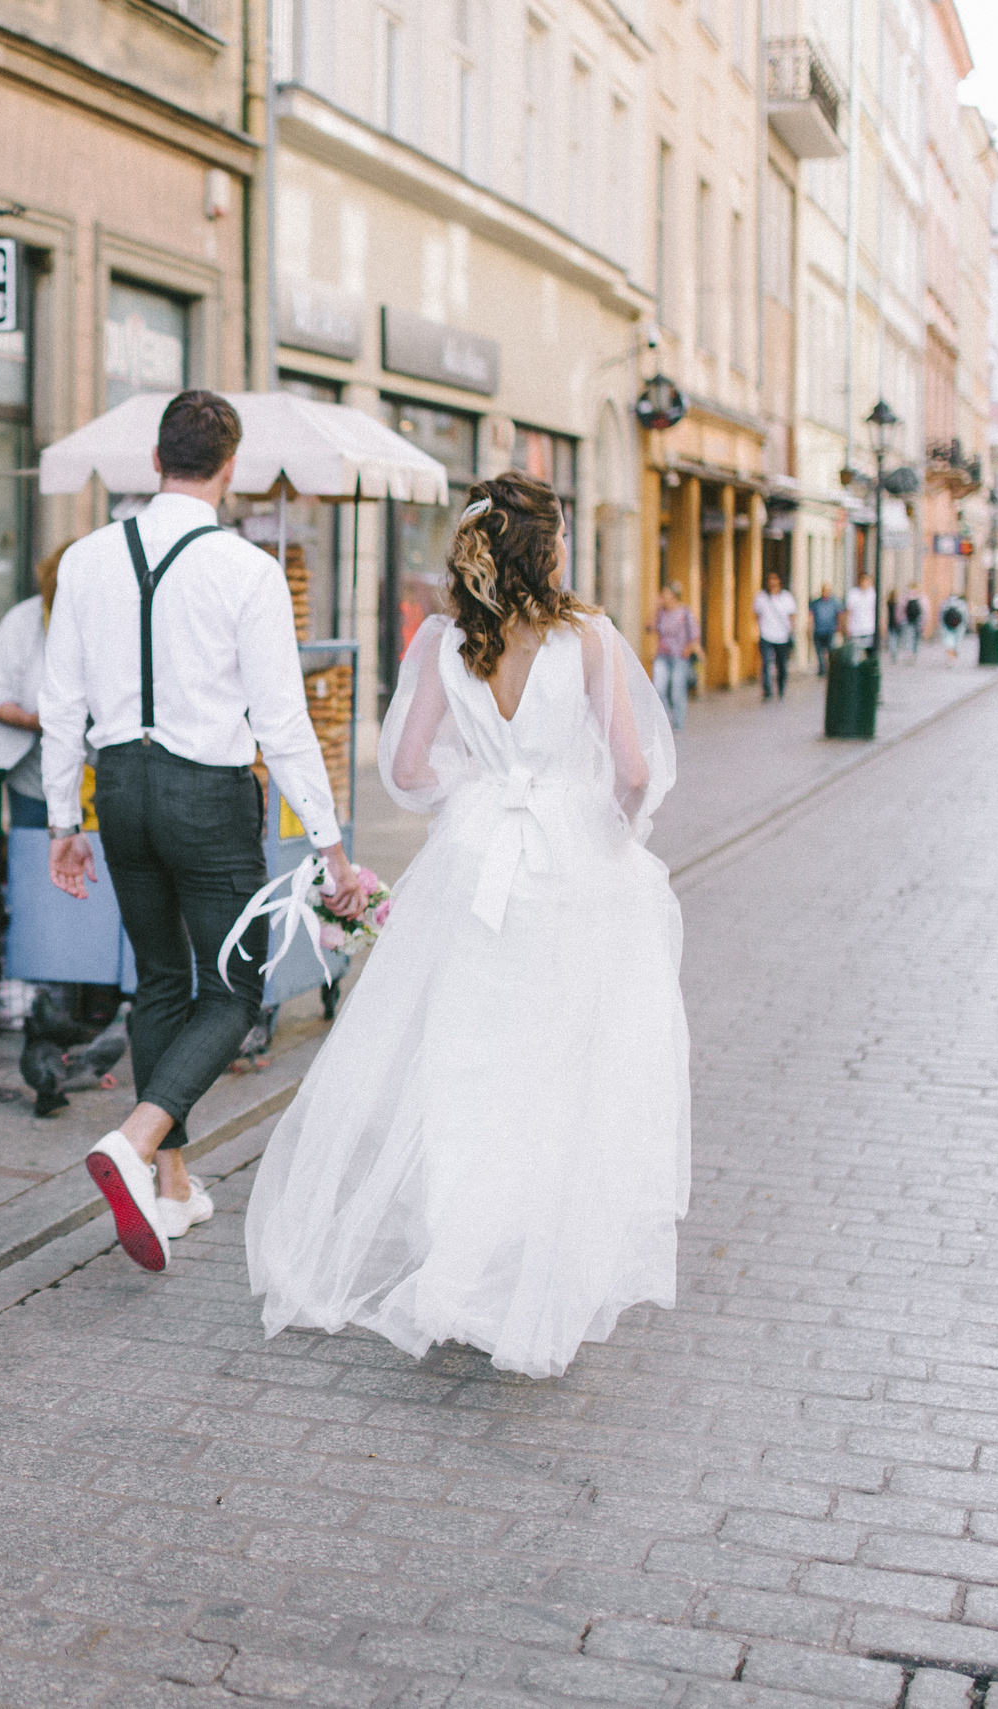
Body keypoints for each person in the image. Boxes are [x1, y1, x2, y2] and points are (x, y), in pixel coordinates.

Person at [246, 471, 688, 1379]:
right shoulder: (589, 637)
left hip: (479, 861)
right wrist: (607, 825)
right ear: (550, 549)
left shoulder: (446, 644)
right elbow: (635, 771)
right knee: (560, 1067)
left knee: (463, 1058)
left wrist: (478, 792)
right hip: (568, 869)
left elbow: (407, 766)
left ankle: (455, 1267)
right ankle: (525, 1271)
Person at [39, 390, 368, 1275]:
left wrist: (63, 817)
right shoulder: (246, 570)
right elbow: (283, 722)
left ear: (154, 461)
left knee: (157, 979)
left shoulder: (85, 559)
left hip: (123, 788)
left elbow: (59, 701)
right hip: (209, 794)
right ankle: (138, 1143)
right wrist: (331, 846)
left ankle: (173, 1186)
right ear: (231, 471)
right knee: (234, 994)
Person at [0, 544, 70, 828]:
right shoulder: (21, 621)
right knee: (32, 853)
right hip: (30, 775)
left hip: (91, 777)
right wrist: (32, 720)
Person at [646, 583, 697, 730]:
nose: (662, 597)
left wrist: (687, 650)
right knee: (659, 689)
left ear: (674, 596)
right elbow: (649, 628)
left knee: (677, 691)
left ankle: (678, 723)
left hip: (679, 657)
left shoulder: (684, 613)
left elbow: (694, 634)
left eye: (665, 594)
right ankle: (665, 723)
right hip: (662, 656)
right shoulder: (661, 613)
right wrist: (656, 609)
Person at [753, 570, 797, 700]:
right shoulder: (761, 597)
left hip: (782, 636)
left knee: (781, 665)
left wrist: (792, 631)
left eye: (774, 579)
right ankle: (767, 691)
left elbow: (792, 616)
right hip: (766, 635)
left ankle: (781, 687)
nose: (772, 582)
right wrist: (758, 630)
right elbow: (756, 615)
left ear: (779, 581)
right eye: (770, 579)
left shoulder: (787, 597)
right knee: (766, 663)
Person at [809, 582, 842, 675]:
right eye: (824, 590)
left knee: (830, 650)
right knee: (819, 651)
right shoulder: (816, 603)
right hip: (818, 630)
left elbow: (839, 614)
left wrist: (839, 626)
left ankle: (831, 668)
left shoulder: (835, 602)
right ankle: (822, 669)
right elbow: (811, 615)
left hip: (830, 630)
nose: (825, 592)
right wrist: (809, 627)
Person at [845, 570, 879, 652]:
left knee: (870, 652)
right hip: (856, 629)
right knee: (856, 652)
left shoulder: (872, 593)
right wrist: (847, 626)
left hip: (869, 628)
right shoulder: (853, 593)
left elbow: (875, 610)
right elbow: (849, 611)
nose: (865, 583)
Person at [940, 591, 969, 661]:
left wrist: (941, 625)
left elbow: (941, 616)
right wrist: (966, 624)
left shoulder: (945, 603)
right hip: (959, 625)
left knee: (948, 640)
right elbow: (966, 615)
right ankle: (954, 655)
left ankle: (950, 656)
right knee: (957, 641)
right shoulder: (962, 603)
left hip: (947, 626)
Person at [902, 590, 925, 661]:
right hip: (917, 622)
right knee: (916, 638)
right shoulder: (920, 599)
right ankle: (914, 653)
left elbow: (901, 611)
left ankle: (910, 653)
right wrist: (923, 623)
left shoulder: (905, 599)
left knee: (909, 637)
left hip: (908, 621)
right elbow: (924, 612)